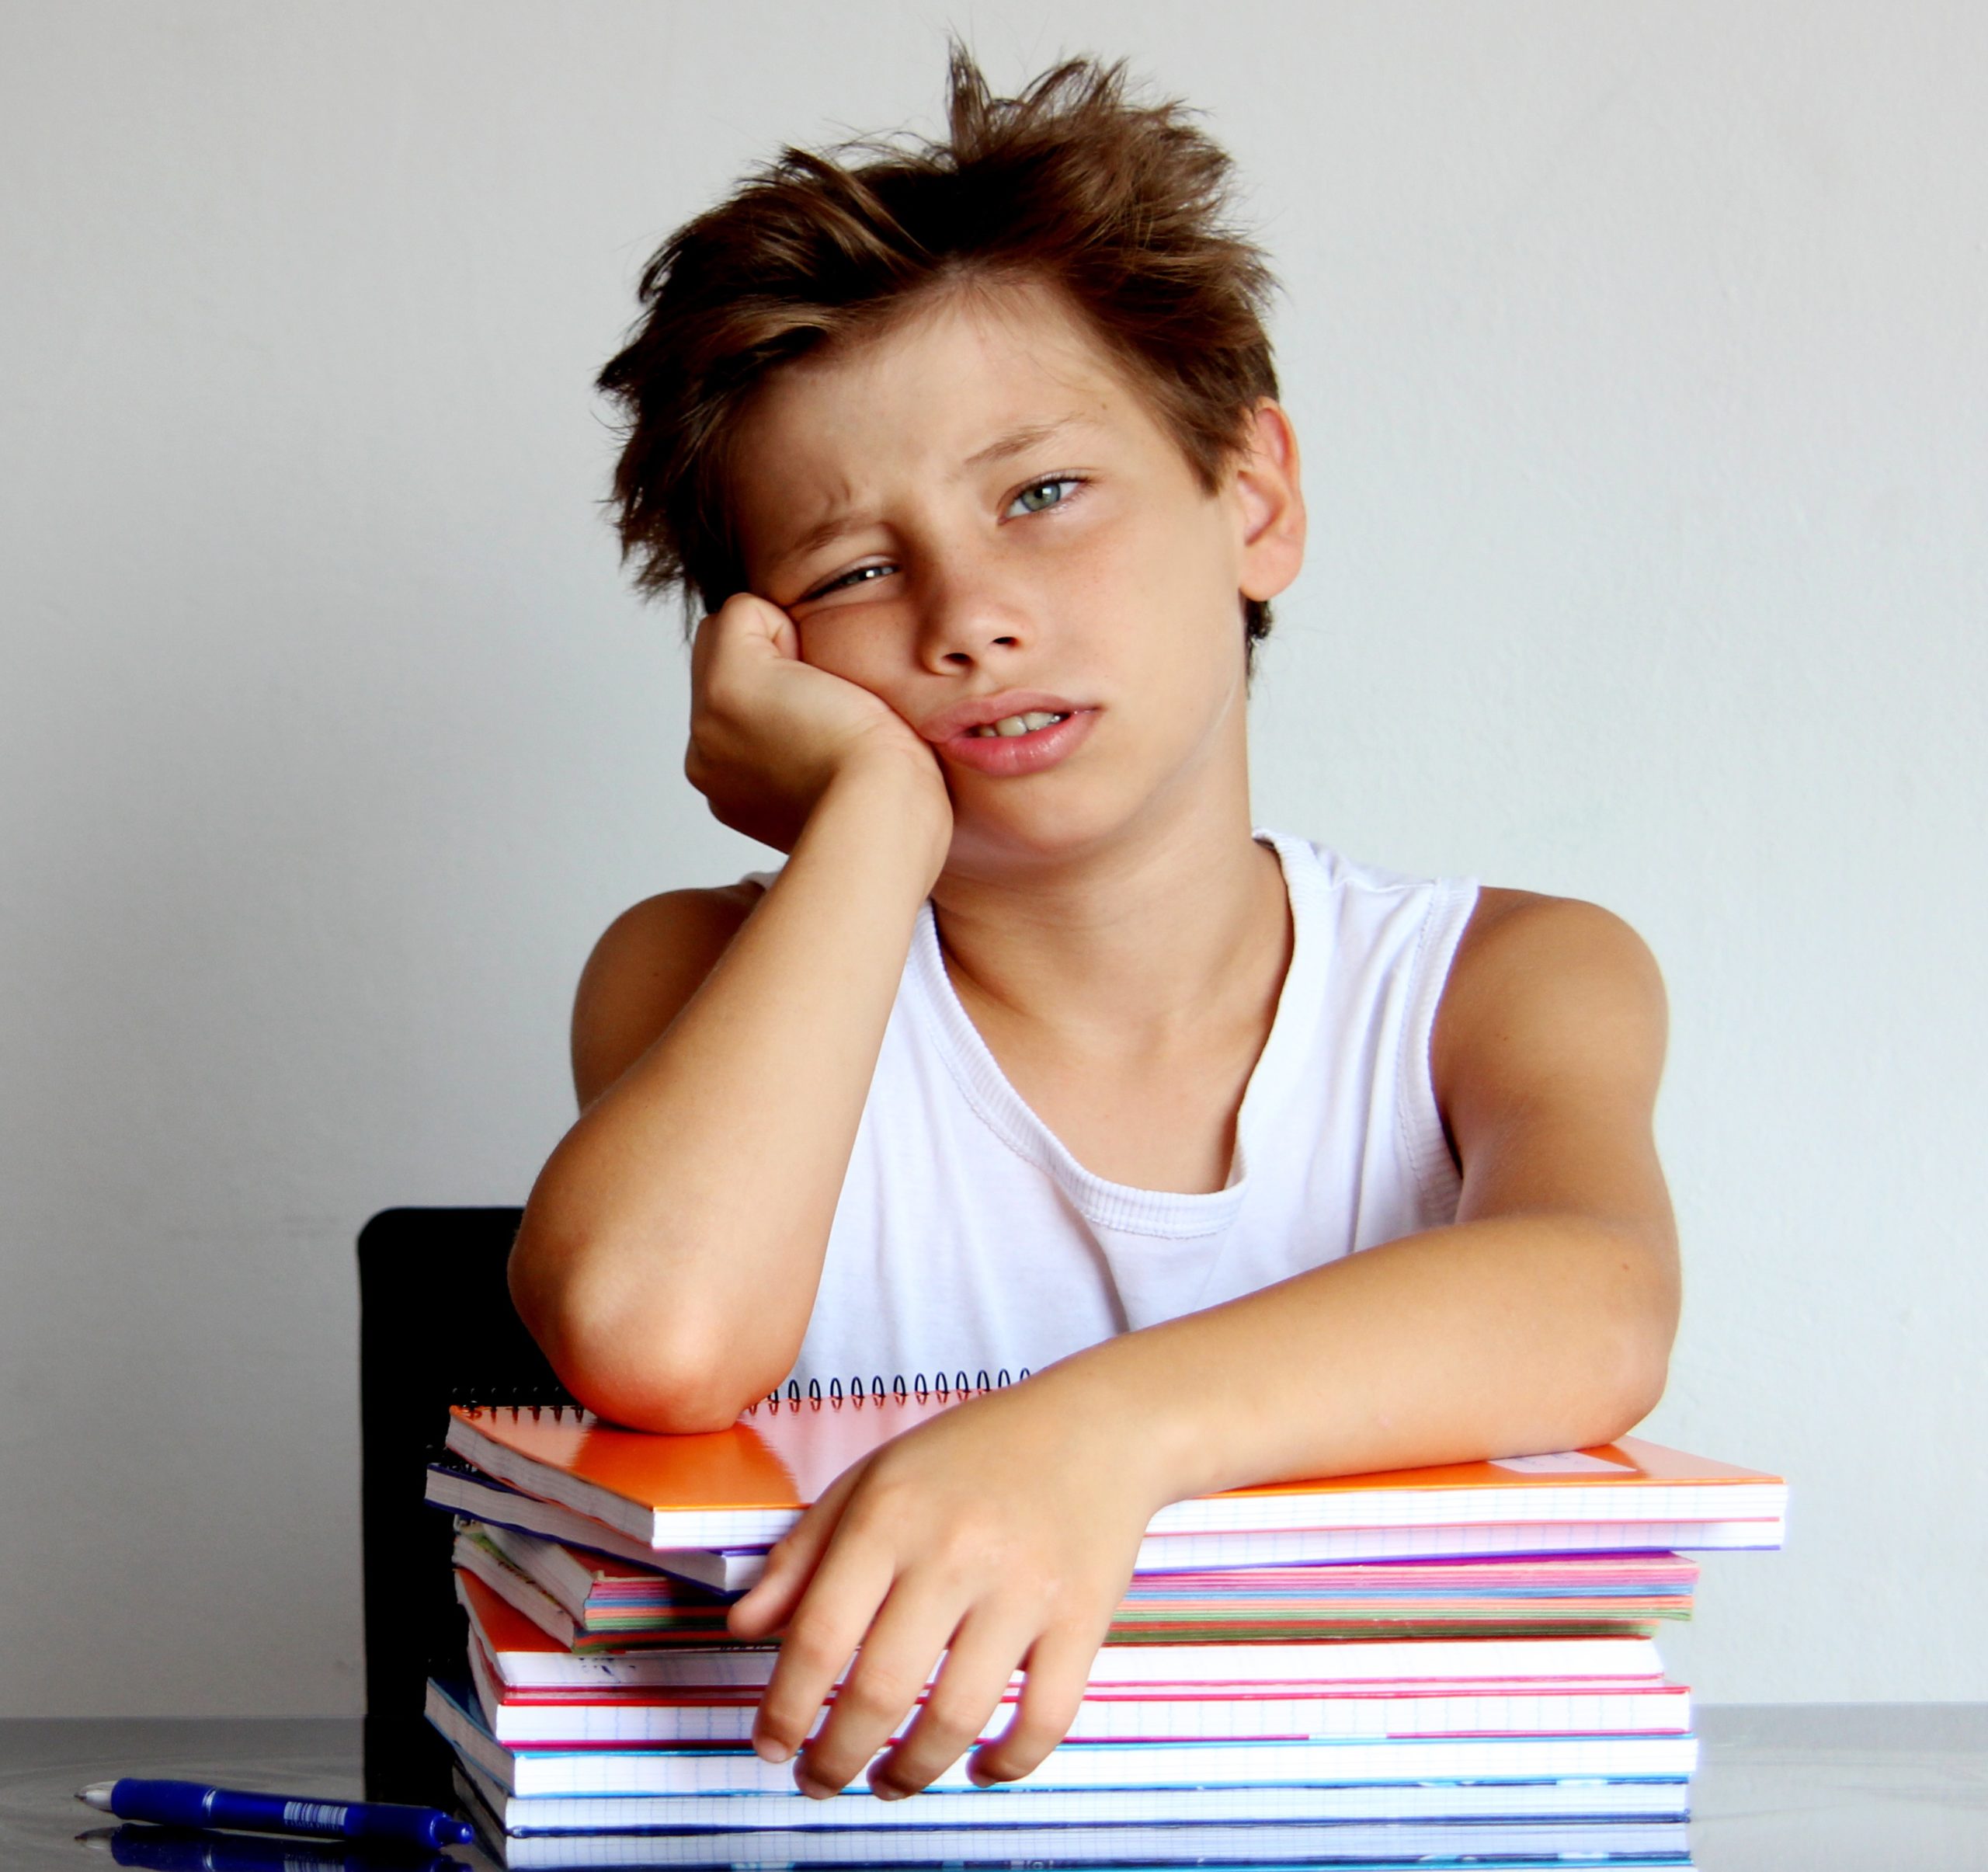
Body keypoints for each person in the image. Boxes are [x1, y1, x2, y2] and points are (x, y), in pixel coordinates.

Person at [507, 50, 1679, 1806]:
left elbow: (1595, 1306)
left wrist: (1088, 1438)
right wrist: (871, 824)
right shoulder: (693, 972)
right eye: (849, 572)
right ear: (765, 665)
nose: (970, 615)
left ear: (1252, 498)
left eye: (1041, 493)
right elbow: (652, 1332)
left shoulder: (1496, 979)